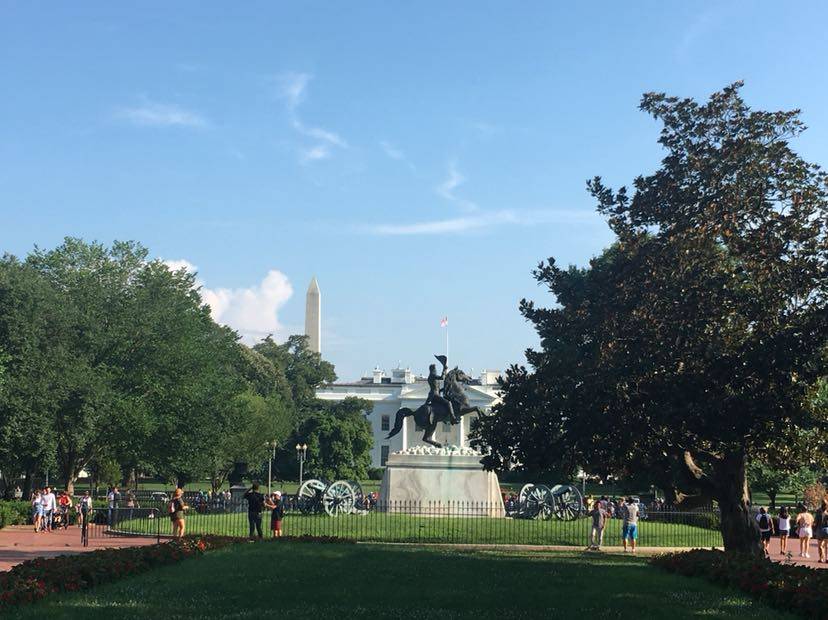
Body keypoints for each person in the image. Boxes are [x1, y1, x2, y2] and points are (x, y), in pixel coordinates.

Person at [425, 359, 457, 424]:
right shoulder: (432, 376)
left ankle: (444, 418)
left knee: (442, 407)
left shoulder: (432, 377)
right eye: (435, 369)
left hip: (435, 394)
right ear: (432, 370)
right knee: (448, 403)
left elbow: (438, 388)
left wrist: (444, 389)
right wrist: (444, 369)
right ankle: (453, 417)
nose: (436, 370)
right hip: (435, 395)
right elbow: (442, 378)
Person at [815, 499, 828, 564]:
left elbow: (816, 522)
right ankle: (827, 558)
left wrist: (814, 529)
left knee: (820, 546)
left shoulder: (818, 511)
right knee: (826, 545)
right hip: (827, 529)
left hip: (820, 529)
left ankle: (821, 558)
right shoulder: (827, 512)